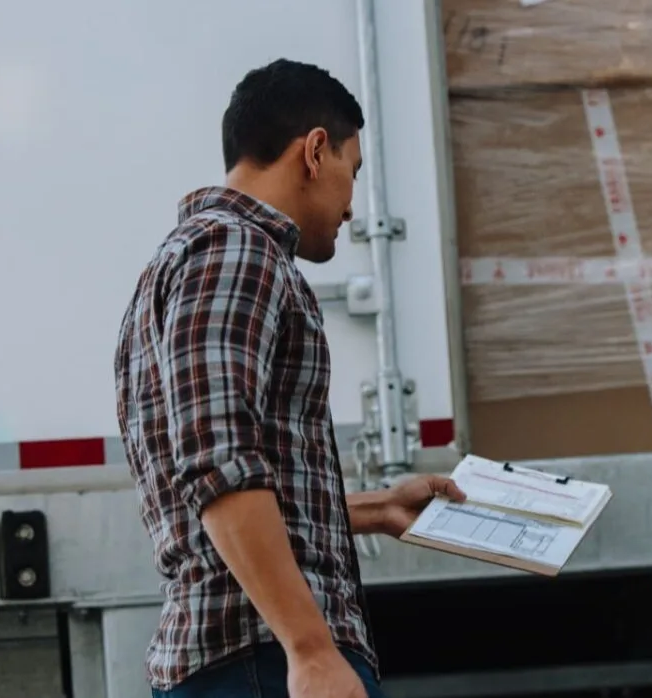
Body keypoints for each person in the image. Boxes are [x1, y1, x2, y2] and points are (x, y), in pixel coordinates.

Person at [113, 58, 466, 698]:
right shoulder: (234, 251)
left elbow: (230, 476)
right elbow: (217, 463)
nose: (353, 206)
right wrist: (309, 648)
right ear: (314, 151)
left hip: (247, 658)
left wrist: (377, 508)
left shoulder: (193, 257)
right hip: (261, 659)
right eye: (351, 172)